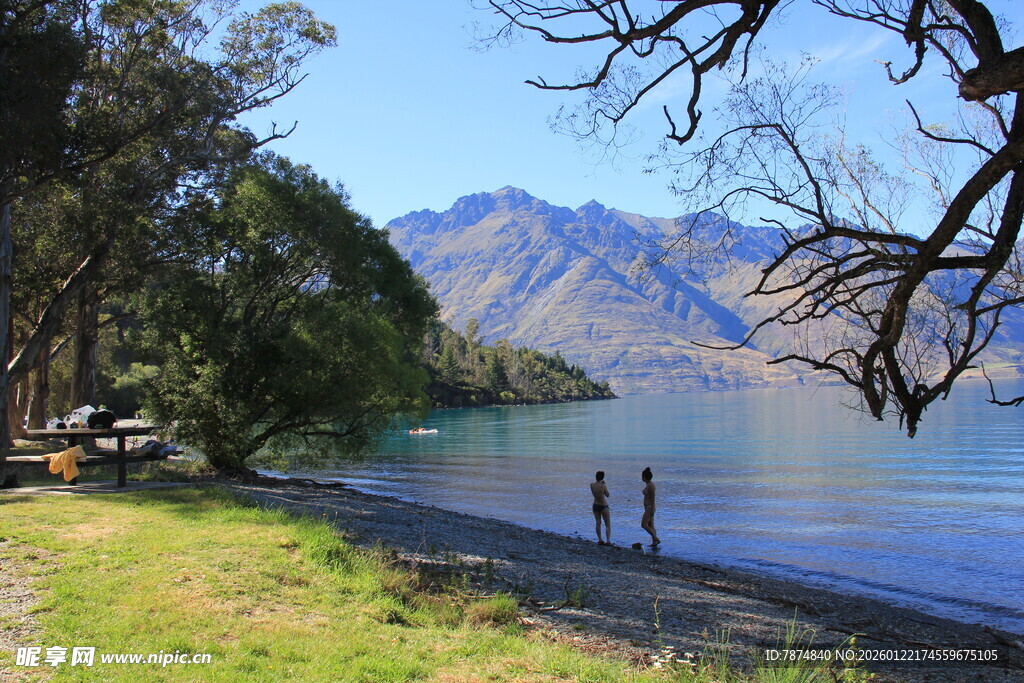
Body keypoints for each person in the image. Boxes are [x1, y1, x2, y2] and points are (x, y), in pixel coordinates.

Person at [590, 471, 611, 545]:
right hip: (603, 505)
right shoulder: (603, 485)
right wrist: (604, 484)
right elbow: (607, 495)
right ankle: (608, 541)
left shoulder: (592, 485)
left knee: (598, 523)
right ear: (602, 477)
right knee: (607, 525)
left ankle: (600, 539)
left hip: (595, 505)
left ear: (596, 476)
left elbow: (594, 493)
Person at [641, 467, 660, 546]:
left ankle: (656, 538)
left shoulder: (651, 485)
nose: (641, 478)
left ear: (644, 477)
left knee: (643, 524)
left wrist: (652, 509)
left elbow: (653, 498)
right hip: (647, 507)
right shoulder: (648, 484)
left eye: (642, 476)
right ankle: (654, 542)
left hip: (650, 507)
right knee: (651, 525)